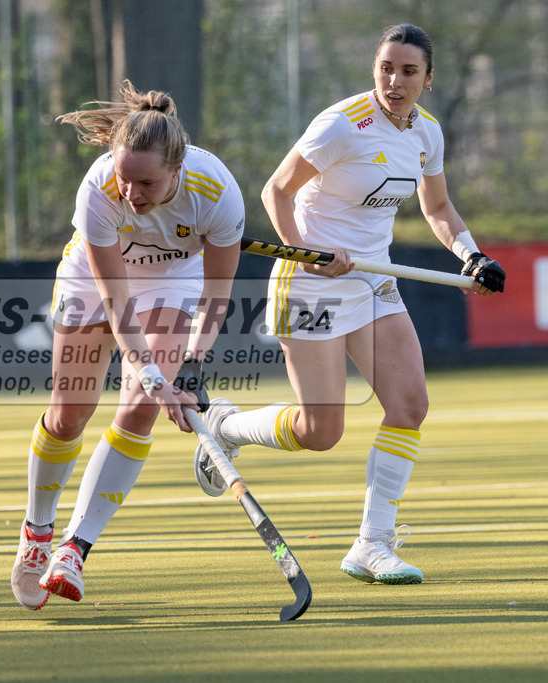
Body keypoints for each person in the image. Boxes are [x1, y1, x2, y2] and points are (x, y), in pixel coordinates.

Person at [199, 23, 505, 586]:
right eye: (386, 68)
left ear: (428, 80)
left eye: (408, 71)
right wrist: (307, 253)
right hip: (310, 281)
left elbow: (437, 208)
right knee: (323, 430)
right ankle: (227, 426)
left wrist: (472, 255)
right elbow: (277, 190)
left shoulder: (427, 135)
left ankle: (372, 544)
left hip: (372, 281)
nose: (394, 81)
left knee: (409, 405)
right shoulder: (342, 124)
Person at [10, 80, 245, 610]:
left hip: (171, 281)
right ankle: (36, 532)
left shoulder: (218, 193)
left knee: (139, 408)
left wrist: (189, 366)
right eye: (125, 179)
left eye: (146, 183)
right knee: (70, 413)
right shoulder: (99, 189)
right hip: (94, 280)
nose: (132, 195)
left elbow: (216, 297)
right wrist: (150, 369)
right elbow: (117, 306)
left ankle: (74, 548)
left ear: (177, 169)